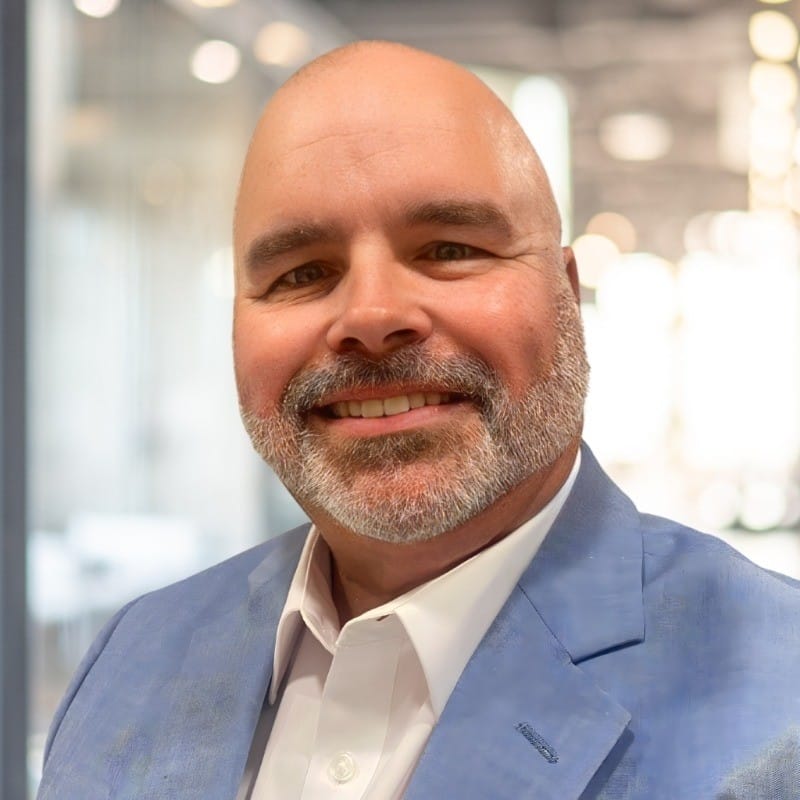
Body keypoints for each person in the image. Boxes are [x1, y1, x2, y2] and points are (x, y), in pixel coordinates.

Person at [38, 41, 800, 800]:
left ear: (566, 296)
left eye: (449, 249)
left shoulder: (778, 702)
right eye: (303, 272)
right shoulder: (134, 656)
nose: (371, 316)